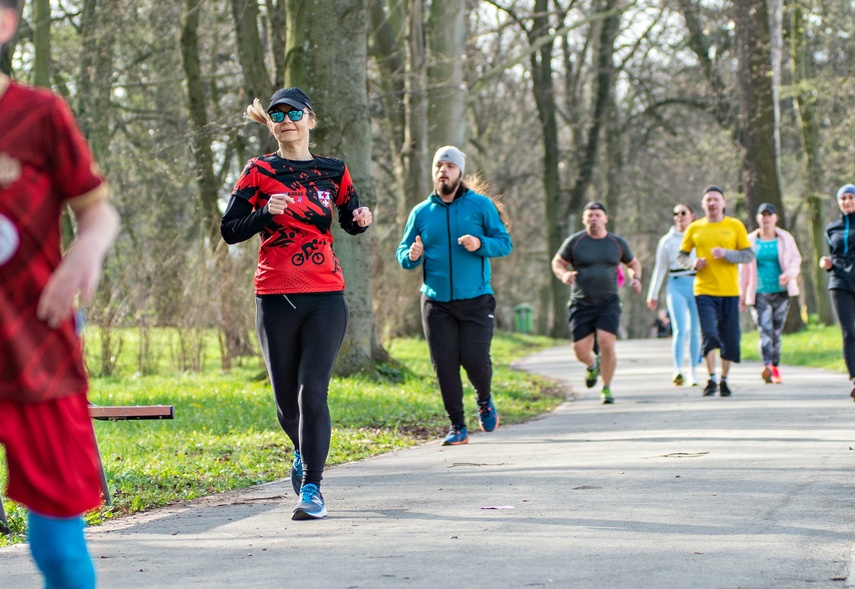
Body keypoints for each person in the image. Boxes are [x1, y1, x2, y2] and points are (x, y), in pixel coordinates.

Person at [0, 1, 121, 586]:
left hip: (33, 347)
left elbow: (98, 216)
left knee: (56, 544)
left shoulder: (39, 114)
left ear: (6, 21)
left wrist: (85, 254)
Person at [221, 87, 373, 520]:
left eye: (294, 112)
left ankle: (312, 488)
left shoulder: (334, 170)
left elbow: (348, 215)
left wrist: (359, 220)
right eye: (277, 113)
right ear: (271, 124)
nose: (286, 119)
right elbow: (229, 229)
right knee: (287, 405)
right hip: (275, 297)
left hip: (326, 296)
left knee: (313, 392)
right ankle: (302, 451)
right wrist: (266, 211)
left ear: (311, 119)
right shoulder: (258, 171)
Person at [396, 146, 512, 446]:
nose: (443, 171)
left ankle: (484, 400)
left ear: (460, 172)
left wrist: (480, 243)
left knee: (475, 361)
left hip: (475, 298)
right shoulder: (421, 212)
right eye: (438, 166)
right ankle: (457, 426)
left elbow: (504, 243)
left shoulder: (481, 206)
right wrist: (411, 255)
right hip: (436, 302)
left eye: (449, 166)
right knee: (444, 364)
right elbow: (403, 253)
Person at [551, 201, 643, 404]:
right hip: (581, 302)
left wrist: (635, 277)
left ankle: (606, 388)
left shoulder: (616, 243)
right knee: (580, 350)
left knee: (607, 343)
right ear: (584, 219)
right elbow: (557, 262)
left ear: (605, 218)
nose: (593, 219)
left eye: (597, 215)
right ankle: (593, 364)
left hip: (608, 301)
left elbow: (633, 262)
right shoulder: (575, 241)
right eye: (589, 216)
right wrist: (564, 274)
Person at [678, 186, 754, 397]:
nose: (712, 203)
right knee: (709, 333)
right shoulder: (695, 228)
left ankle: (724, 380)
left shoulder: (735, 225)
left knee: (729, 337)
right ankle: (710, 378)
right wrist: (693, 263)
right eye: (708, 200)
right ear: (703, 204)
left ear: (723, 203)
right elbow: (681, 256)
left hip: (729, 290)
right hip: (704, 290)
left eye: (715, 199)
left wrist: (727, 254)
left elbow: (748, 255)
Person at [739, 203, 802, 384]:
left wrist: (789, 274)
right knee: (765, 330)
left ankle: (775, 367)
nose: (766, 218)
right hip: (759, 292)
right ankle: (767, 366)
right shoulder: (750, 240)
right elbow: (743, 270)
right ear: (758, 218)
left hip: (781, 291)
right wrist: (742, 294)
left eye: (769, 215)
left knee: (776, 332)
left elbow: (796, 260)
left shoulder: (785, 238)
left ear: (775, 218)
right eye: (762, 215)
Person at [647, 203, 702, 386]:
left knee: (695, 329)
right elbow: (660, 268)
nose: (679, 217)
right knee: (680, 328)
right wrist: (653, 293)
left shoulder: (699, 236)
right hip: (675, 285)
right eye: (676, 213)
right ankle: (678, 370)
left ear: (692, 216)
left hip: (696, 284)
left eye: (683, 213)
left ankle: (693, 370)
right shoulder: (667, 241)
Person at [819, 184, 855, 400]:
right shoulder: (832, 228)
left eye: (850, 197)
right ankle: (854, 378)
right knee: (849, 332)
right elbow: (833, 254)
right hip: (839, 281)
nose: (847, 202)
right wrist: (827, 263)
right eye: (843, 199)